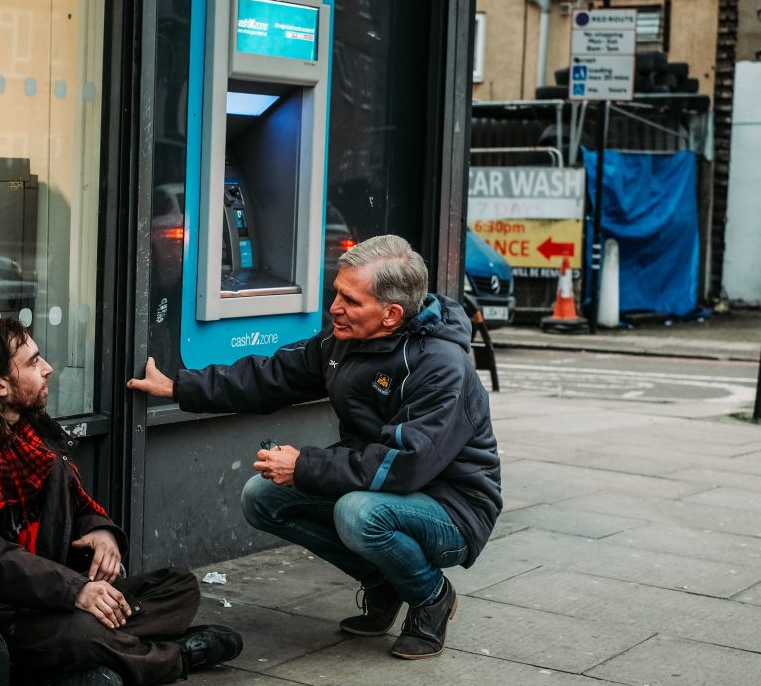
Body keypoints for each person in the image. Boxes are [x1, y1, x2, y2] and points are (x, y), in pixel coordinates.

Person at [128, 234, 501, 659]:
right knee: (263, 498)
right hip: (382, 487)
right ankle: (383, 581)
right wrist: (180, 387)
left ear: (391, 314)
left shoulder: (440, 366)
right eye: (336, 292)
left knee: (359, 514)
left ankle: (431, 596)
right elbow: (273, 377)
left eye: (350, 300)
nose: (334, 307)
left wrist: (304, 465)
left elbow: (401, 466)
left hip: (453, 510)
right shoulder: (344, 339)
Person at [0, 318, 242, 686]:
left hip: (51, 592)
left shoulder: (31, 432)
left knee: (179, 587)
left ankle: (104, 656)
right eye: (33, 362)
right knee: (82, 632)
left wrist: (101, 530)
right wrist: (74, 590)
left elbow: (75, 504)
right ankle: (172, 656)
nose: (48, 369)